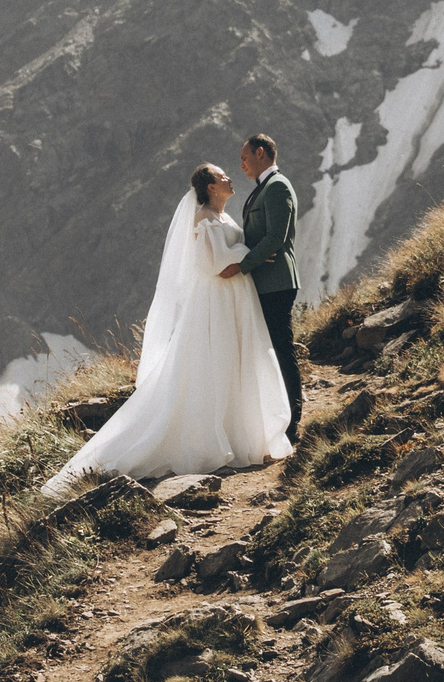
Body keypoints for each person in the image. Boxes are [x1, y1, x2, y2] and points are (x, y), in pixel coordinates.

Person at [39, 164, 291, 492]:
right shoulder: (203, 217)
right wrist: (248, 256)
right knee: (214, 361)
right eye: (222, 176)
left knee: (232, 361)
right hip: (216, 299)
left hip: (233, 297)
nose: (229, 179)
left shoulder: (222, 217)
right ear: (210, 187)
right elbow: (210, 264)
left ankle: (237, 432)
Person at [219, 132, 303, 445]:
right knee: (274, 350)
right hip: (266, 282)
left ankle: (293, 421)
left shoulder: (277, 186)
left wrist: (241, 265)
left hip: (278, 282)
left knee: (282, 349)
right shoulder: (263, 189)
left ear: (260, 153)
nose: (240, 165)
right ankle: (281, 417)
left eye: (244, 158)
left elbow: (275, 238)